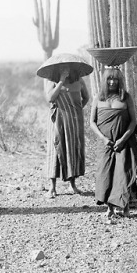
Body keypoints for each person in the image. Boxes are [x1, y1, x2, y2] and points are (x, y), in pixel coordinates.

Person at [90, 67, 137, 218]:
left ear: (120, 81)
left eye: (115, 79)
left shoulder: (126, 97)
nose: (112, 82)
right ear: (104, 81)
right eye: (109, 79)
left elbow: (133, 121)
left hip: (123, 141)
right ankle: (109, 208)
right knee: (105, 173)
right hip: (105, 143)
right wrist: (104, 139)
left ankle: (125, 207)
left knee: (123, 173)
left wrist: (123, 139)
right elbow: (92, 122)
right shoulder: (99, 98)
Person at [45, 66, 90, 198]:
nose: (66, 70)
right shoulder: (52, 81)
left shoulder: (79, 81)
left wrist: (75, 109)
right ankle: (52, 187)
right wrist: (60, 81)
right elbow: (50, 98)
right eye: (62, 68)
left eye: (68, 67)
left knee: (72, 149)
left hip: (74, 120)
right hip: (57, 119)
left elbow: (86, 97)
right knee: (55, 149)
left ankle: (72, 184)